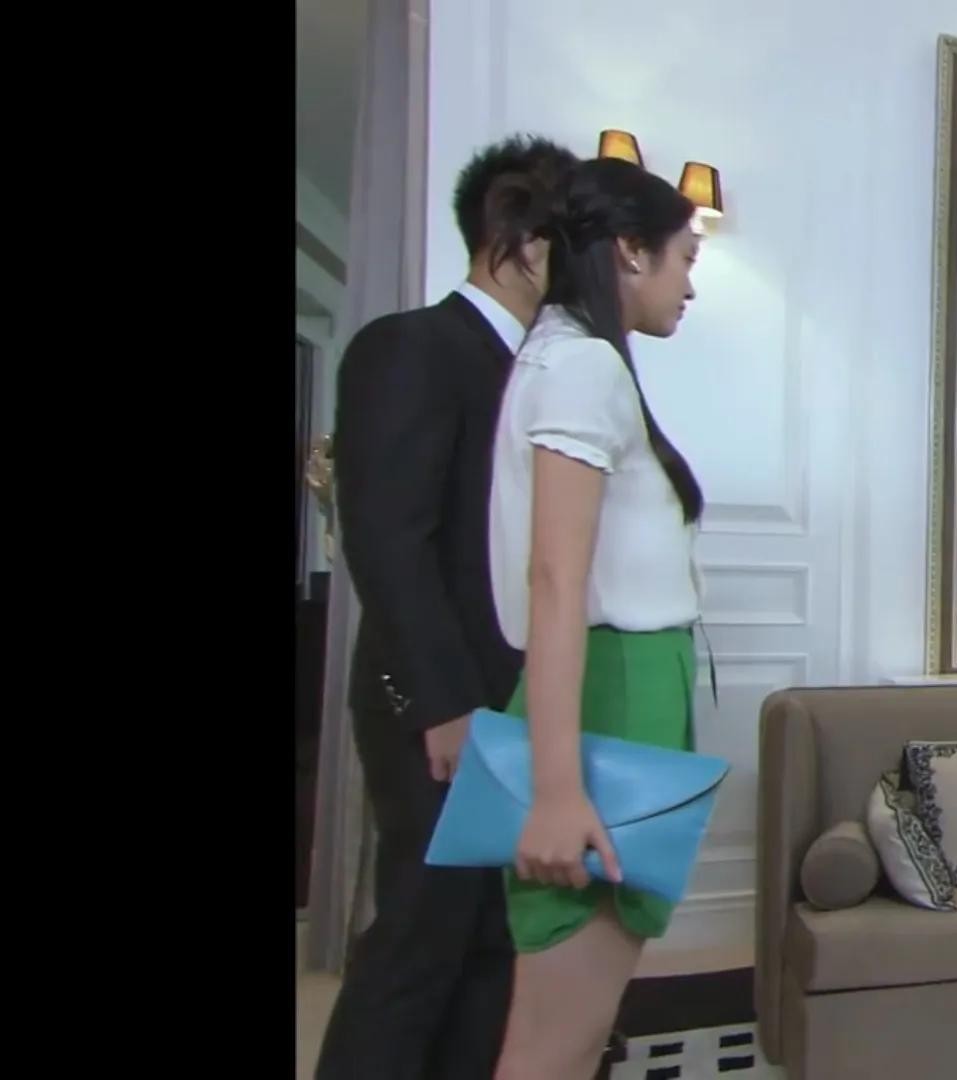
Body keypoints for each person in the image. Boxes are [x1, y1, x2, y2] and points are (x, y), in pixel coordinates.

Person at [318, 133, 579, 1080]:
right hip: (437, 704)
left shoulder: (539, 370)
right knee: (421, 942)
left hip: (509, 706)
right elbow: (388, 540)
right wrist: (445, 702)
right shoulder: (411, 347)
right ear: (522, 240)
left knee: (491, 944)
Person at [484, 156, 709, 1078]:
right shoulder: (581, 365)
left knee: (571, 1034)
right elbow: (554, 579)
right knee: (557, 1041)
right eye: (684, 258)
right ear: (629, 250)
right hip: (611, 703)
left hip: (626, 698)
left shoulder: (570, 357)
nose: (689, 284)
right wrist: (557, 791)